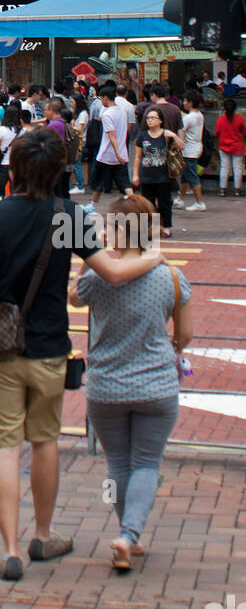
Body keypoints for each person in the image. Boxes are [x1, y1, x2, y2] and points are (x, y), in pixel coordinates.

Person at [0, 128, 165, 581]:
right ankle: (43, 534)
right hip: (49, 348)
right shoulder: (69, 217)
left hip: (0, 349)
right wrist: (155, 258)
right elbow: (113, 273)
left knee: (4, 444)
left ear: (14, 168)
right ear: (59, 170)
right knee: (45, 440)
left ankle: (10, 551)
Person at [70, 195, 192, 571]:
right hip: (156, 385)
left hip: (107, 385)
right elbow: (185, 335)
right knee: (146, 463)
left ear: (116, 232)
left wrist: (91, 257)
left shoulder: (98, 276)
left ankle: (127, 533)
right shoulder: (170, 276)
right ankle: (129, 536)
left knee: (118, 463)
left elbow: (73, 297)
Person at [132, 107, 184, 239]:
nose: (149, 120)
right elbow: (138, 157)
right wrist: (135, 174)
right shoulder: (142, 136)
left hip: (163, 176)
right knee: (148, 205)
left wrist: (173, 135)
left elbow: (182, 146)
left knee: (164, 204)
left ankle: (166, 227)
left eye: (153, 118)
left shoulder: (166, 135)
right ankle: (152, 228)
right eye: (148, 118)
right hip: (147, 176)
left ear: (160, 120)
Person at [89, 83, 131, 216]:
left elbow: (111, 135)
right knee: (124, 183)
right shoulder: (122, 112)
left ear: (106, 98)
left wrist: (116, 152)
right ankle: (135, 204)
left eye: (101, 98)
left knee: (98, 182)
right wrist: (120, 154)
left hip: (107, 155)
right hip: (122, 154)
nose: (101, 101)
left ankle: (93, 206)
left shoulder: (107, 114)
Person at [215, 97, 246, 196]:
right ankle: (237, 190)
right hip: (237, 146)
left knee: (224, 168)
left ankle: (222, 190)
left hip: (224, 146)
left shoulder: (220, 119)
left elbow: (217, 133)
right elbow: (243, 131)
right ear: (235, 108)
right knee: (238, 168)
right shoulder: (240, 119)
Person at [0, 104, 21, 201]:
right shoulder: (21, 131)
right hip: (16, 165)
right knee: (14, 192)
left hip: (3, 165)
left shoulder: (2, 130)